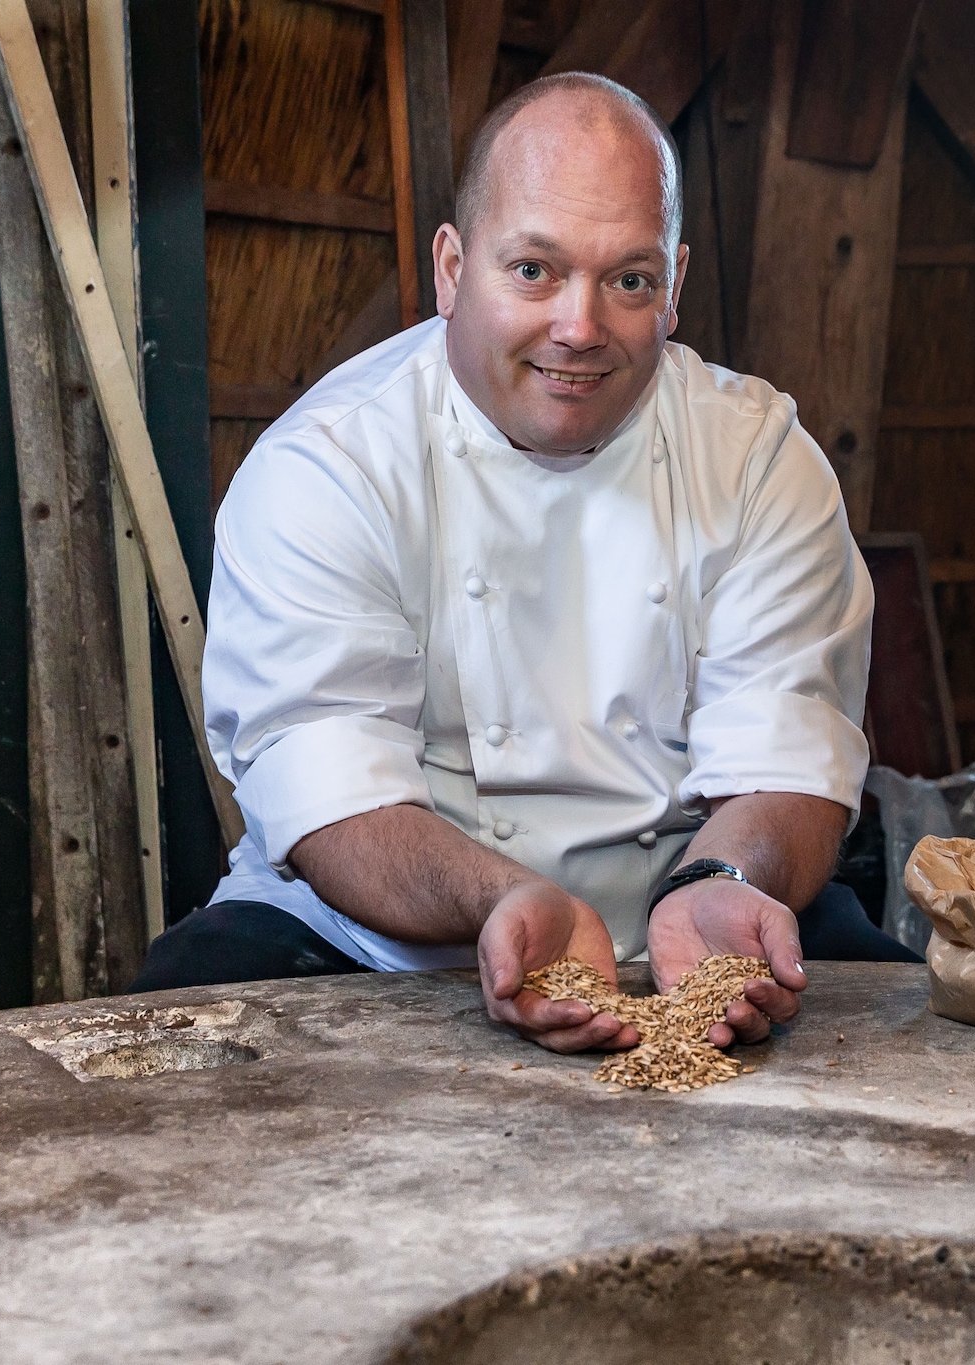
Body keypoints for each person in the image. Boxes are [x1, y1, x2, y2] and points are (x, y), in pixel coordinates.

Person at [131, 72, 917, 1054]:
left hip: (693, 909)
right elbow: (330, 794)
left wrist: (724, 885)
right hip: (368, 933)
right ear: (453, 268)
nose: (578, 329)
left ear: (671, 287)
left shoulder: (755, 458)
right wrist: (501, 897)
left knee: (915, 1044)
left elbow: (787, 750)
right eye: (534, 270)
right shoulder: (328, 466)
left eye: (626, 280)